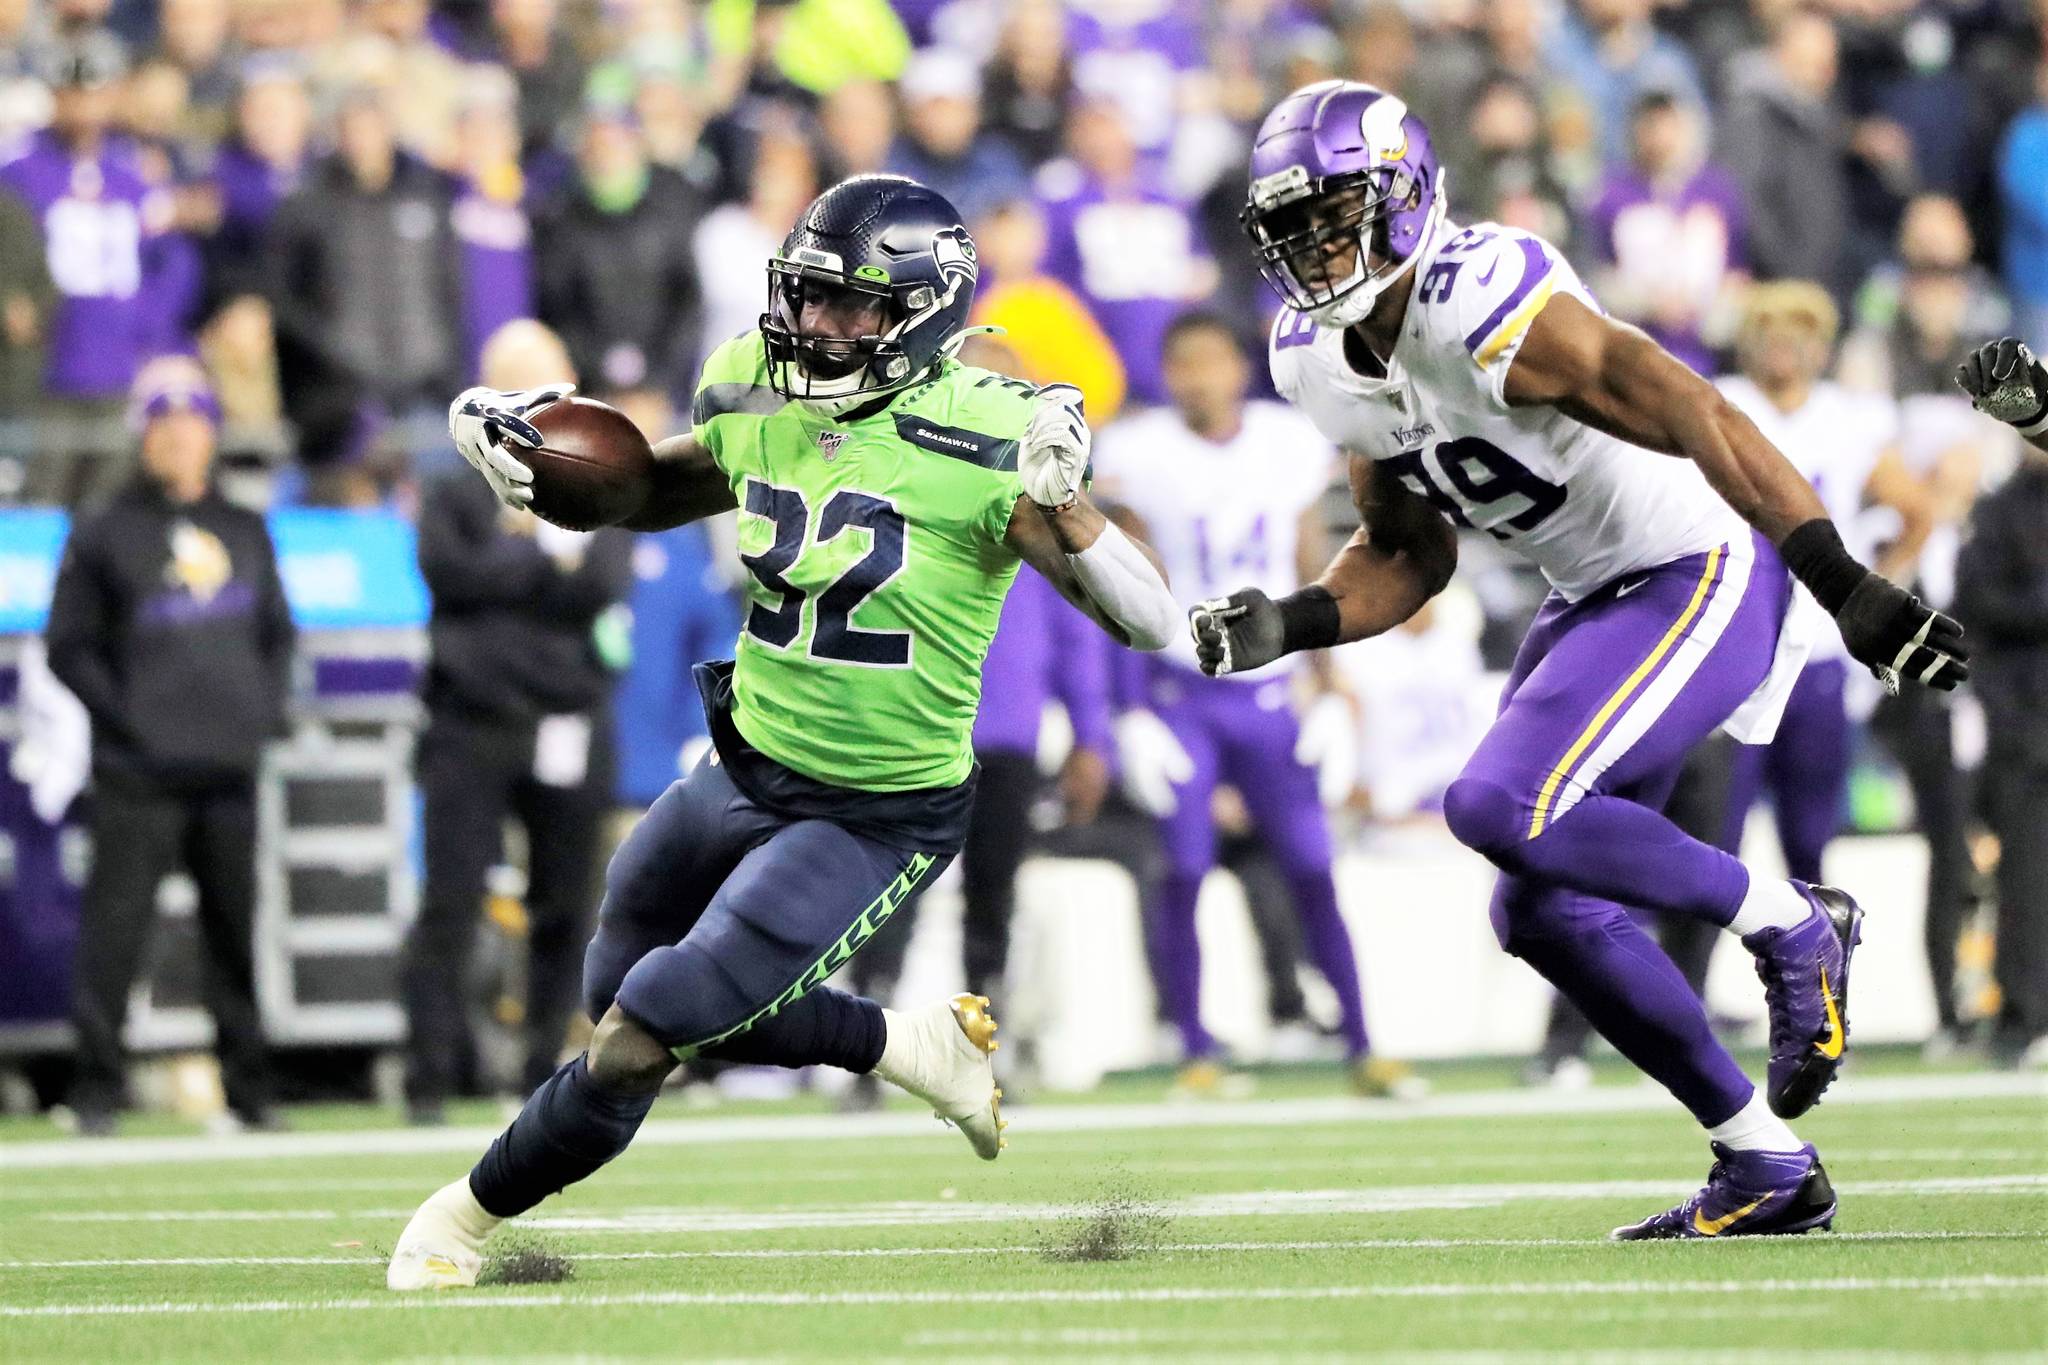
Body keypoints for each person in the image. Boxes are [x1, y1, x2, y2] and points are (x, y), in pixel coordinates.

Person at [1197, 81, 1967, 1240]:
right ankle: (1760, 1161)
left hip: (1699, 564)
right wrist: (1296, 621)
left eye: (1336, 213)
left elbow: (1699, 411)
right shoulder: (1314, 356)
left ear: (1405, 196)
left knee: (1497, 802)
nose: (1315, 247)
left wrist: (1839, 581)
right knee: (1539, 912)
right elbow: (1407, 551)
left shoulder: (1478, 294)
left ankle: (1793, 919)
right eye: (1292, 229)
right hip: (1594, 596)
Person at [386, 174, 1180, 1289]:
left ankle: (456, 1222)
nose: (817, 327)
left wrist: (1073, 512)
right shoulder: (754, 384)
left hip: (876, 809)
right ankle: (912, 1047)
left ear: (923, 311)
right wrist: (545, 466)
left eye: (851, 307)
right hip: (746, 760)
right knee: (616, 983)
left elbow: (1149, 620)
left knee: (644, 1030)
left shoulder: (996, 434)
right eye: (806, 297)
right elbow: (661, 492)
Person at [1094, 310, 1418, 1099]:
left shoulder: (1284, 440)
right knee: (1184, 867)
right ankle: (1197, 1049)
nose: (1199, 379)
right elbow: (1122, 580)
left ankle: (1363, 1043)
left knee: (1313, 864)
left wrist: (1332, 683)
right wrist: (1128, 706)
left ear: (1237, 368)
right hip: (1182, 689)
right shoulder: (1140, 452)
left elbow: (1314, 561)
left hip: (1272, 687)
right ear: (1167, 374)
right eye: (1184, 364)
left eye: (1211, 361)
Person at [45, 357, 294, 1136]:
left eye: (192, 423)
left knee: (234, 931)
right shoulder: (103, 530)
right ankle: (94, 1092)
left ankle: (250, 1093)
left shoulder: (245, 526)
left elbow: (276, 635)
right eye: (164, 423)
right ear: (142, 435)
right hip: (136, 772)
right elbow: (68, 647)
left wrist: (258, 713)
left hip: (226, 765)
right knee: (114, 933)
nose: (180, 438)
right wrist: (127, 722)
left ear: (211, 434)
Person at [401, 320, 634, 1125]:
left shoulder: (596, 475)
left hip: (568, 716)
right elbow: (450, 574)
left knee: (566, 903)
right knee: (451, 899)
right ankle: (431, 1074)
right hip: (470, 721)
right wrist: (543, 559)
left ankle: (542, 1070)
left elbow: (599, 582)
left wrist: (517, 563)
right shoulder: (452, 484)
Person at [1713, 282, 1930, 883]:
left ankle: (1810, 975)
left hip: (1816, 653)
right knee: (1714, 838)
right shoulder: (1719, 405)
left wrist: (1875, 587)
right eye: (1770, 330)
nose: (1783, 345)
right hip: (1730, 654)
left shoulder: (1849, 418)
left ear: (1821, 345)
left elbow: (1916, 511)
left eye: (1798, 332)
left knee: (1809, 846)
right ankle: (1690, 977)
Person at [1953, 337, 2048, 1066]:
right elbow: (1978, 602)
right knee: (2024, 868)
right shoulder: (2001, 508)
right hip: (2024, 713)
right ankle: (2021, 1012)